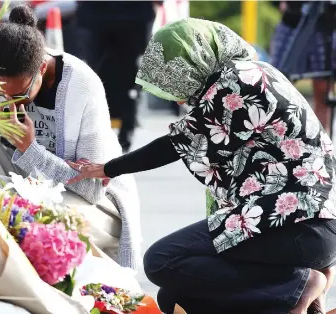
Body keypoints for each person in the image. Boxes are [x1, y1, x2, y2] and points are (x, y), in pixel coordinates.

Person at [67, 18, 336, 314]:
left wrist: (107, 168)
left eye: (177, 78)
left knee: (163, 260)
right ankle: (300, 300)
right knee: (176, 297)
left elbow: (176, 143)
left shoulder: (239, 80)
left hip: (297, 224)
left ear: (196, 61)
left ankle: (299, 284)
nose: (180, 96)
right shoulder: (256, 73)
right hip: (300, 226)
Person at [0, 5, 141, 269]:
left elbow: (91, 190)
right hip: (27, 185)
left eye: (20, 94)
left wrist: (30, 149)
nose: (12, 102)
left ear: (41, 68)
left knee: (38, 222)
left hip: (90, 204)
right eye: (1, 94)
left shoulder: (82, 85)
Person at [74, 1, 161, 152]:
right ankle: (123, 139)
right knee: (131, 81)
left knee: (93, 77)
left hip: (97, 14)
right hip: (134, 15)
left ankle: (96, 137)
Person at [270, 1, 336, 132]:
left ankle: (322, 137)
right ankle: (279, 133)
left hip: (323, 27)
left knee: (322, 89)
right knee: (277, 84)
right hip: (292, 23)